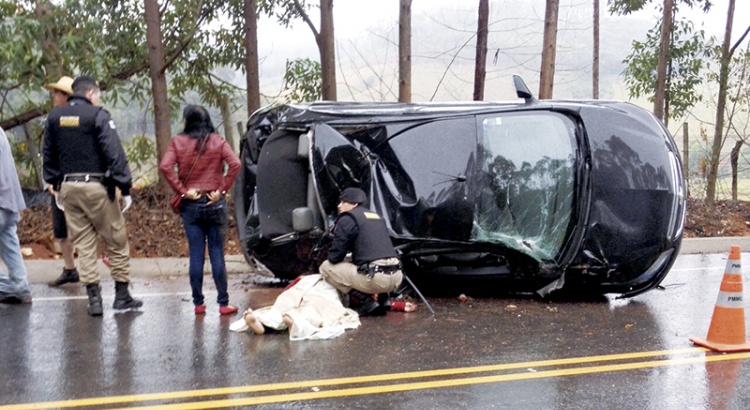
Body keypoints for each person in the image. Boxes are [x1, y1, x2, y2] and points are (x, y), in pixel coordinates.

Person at [42, 76, 142, 316]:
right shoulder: (99, 116)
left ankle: (94, 300)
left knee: (84, 244)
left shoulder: (54, 118)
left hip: (68, 189)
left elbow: (48, 153)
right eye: (97, 95)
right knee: (116, 240)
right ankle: (121, 295)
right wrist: (125, 187)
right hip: (96, 187)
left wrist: (55, 182)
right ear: (89, 94)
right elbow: (114, 153)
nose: (98, 99)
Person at [159, 105, 241, 316]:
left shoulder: (178, 142)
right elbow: (235, 163)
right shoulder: (217, 141)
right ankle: (223, 304)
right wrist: (222, 190)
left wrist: (183, 191)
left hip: (191, 204)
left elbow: (165, 167)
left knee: (196, 254)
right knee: (217, 254)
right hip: (214, 203)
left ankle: (198, 303)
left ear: (187, 121)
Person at [319, 187, 403, 316]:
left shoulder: (347, 218)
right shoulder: (377, 217)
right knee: (363, 263)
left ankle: (367, 302)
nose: (339, 206)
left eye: (343, 202)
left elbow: (335, 257)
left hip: (376, 279)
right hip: (397, 277)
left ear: (354, 204)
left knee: (326, 267)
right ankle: (384, 299)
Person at [43, 76, 79, 287]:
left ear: (66, 96)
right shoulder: (54, 118)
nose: (54, 96)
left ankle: (88, 271)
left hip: (77, 183)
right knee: (61, 230)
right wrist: (49, 180)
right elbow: (48, 152)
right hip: (58, 183)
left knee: (81, 229)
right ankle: (70, 268)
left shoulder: (81, 119)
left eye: (57, 92)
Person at [0, 126, 32, 304]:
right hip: (9, 200)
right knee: (9, 243)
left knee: (9, 242)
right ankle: (20, 287)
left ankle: (5, 288)